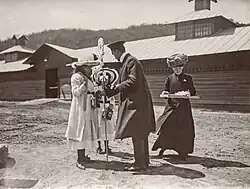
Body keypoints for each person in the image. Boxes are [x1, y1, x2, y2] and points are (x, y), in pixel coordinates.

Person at [104, 40, 156, 171]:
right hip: (139, 103)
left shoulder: (131, 61)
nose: (114, 56)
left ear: (116, 51)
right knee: (141, 133)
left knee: (137, 133)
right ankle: (143, 161)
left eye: (113, 53)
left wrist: (115, 89)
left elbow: (132, 81)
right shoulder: (129, 62)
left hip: (136, 104)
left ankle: (140, 163)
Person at [152, 53, 196, 161]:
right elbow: (166, 90)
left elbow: (193, 91)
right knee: (167, 128)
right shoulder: (169, 78)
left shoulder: (188, 78)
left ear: (182, 67)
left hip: (183, 108)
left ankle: (183, 151)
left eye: (179, 67)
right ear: (172, 68)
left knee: (183, 129)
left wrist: (188, 93)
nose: (177, 70)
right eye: (175, 68)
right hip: (171, 107)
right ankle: (163, 147)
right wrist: (165, 93)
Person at [65, 59, 100, 170]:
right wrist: (83, 85)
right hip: (80, 107)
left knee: (87, 130)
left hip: (89, 106)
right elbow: (75, 93)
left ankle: (83, 156)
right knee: (80, 129)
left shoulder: (89, 77)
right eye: (87, 66)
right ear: (81, 67)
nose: (89, 69)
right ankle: (79, 159)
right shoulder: (76, 77)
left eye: (90, 67)